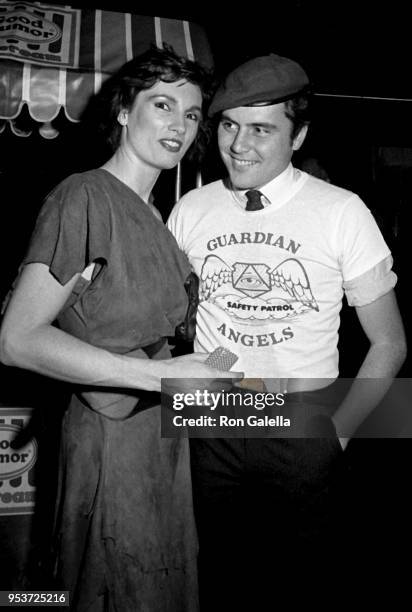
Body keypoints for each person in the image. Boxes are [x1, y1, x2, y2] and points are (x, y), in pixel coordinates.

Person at [0, 46, 242, 611]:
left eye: (191, 114)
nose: (179, 125)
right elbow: (17, 338)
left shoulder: (158, 215)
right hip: (111, 443)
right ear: (125, 112)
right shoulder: (84, 196)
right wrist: (155, 376)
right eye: (162, 105)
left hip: (161, 442)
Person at [167, 53, 407, 607]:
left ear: (297, 137)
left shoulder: (340, 211)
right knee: (215, 578)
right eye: (229, 125)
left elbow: (390, 343)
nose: (238, 145)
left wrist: (338, 432)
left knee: (299, 582)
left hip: (302, 428)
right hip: (208, 425)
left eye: (261, 129)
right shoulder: (190, 208)